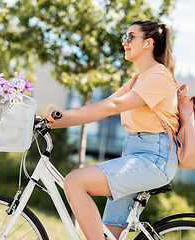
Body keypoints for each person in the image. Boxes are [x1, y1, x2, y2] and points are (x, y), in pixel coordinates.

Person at [45, 20, 179, 240]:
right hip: (135, 156)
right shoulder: (137, 80)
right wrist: (51, 122)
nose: (124, 42)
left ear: (148, 43)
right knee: (108, 236)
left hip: (154, 159)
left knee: (74, 182)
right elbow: (100, 110)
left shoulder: (160, 77)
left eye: (130, 36)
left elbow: (115, 106)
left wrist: (64, 114)